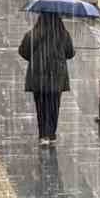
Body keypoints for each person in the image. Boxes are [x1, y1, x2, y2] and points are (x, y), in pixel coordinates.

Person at [18, 12, 75, 146]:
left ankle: (43, 135)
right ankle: (52, 134)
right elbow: (70, 53)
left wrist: (34, 59)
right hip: (57, 76)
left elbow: (23, 51)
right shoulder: (63, 34)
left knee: (41, 106)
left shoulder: (33, 34)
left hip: (38, 76)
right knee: (54, 105)